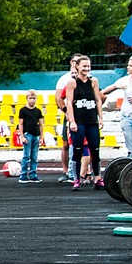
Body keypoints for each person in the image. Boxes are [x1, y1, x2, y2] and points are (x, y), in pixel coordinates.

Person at [66, 56, 105, 191]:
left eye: (88, 66)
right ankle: (76, 179)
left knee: (95, 149)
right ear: (77, 67)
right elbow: (69, 103)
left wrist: (100, 117)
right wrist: (72, 121)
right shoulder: (72, 83)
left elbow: (98, 100)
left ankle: (97, 178)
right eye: (84, 66)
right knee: (77, 150)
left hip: (91, 120)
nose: (86, 69)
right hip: (79, 121)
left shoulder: (93, 81)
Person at [54, 54, 83, 182]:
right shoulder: (64, 79)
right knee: (66, 144)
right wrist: (66, 111)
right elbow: (58, 98)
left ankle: (84, 171)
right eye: (75, 61)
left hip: (84, 114)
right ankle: (66, 171)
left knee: (86, 144)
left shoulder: (88, 79)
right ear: (72, 62)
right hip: (70, 114)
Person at [16, 89, 43, 182]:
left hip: (36, 135)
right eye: (30, 98)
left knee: (34, 156)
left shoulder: (38, 111)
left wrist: (41, 137)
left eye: (34, 98)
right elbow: (21, 124)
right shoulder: (23, 110)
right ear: (27, 98)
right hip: (28, 135)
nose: (32, 100)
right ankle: (23, 175)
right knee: (26, 156)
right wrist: (22, 136)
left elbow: (41, 124)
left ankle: (33, 174)